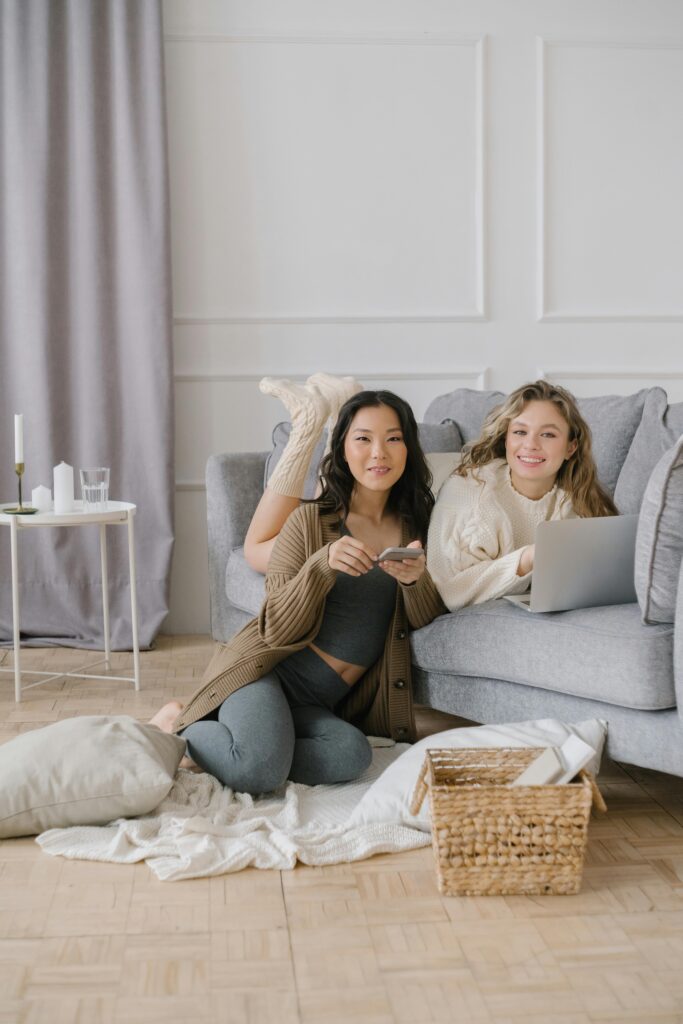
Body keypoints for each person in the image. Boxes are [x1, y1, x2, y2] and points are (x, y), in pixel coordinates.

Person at [152, 384, 446, 795]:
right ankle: (182, 724)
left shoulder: (419, 522)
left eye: (393, 439)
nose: (379, 452)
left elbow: (425, 616)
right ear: (342, 448)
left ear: (408, 449)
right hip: (266, 674)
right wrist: (321, 567)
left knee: (352, 755)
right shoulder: (310, 522)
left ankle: (256, 741)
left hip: (317, 702)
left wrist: (416, 582)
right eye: (363, 439)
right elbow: (273, 627)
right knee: (257, 774)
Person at [426, 379, 618, 612]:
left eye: (548, 434)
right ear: (506, 439)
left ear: (571, 448)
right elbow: (450, 591)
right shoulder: (470, 491)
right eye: (519, 431)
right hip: (471, 616)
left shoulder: (580, 496)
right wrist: (526, 560)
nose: (531, 444)